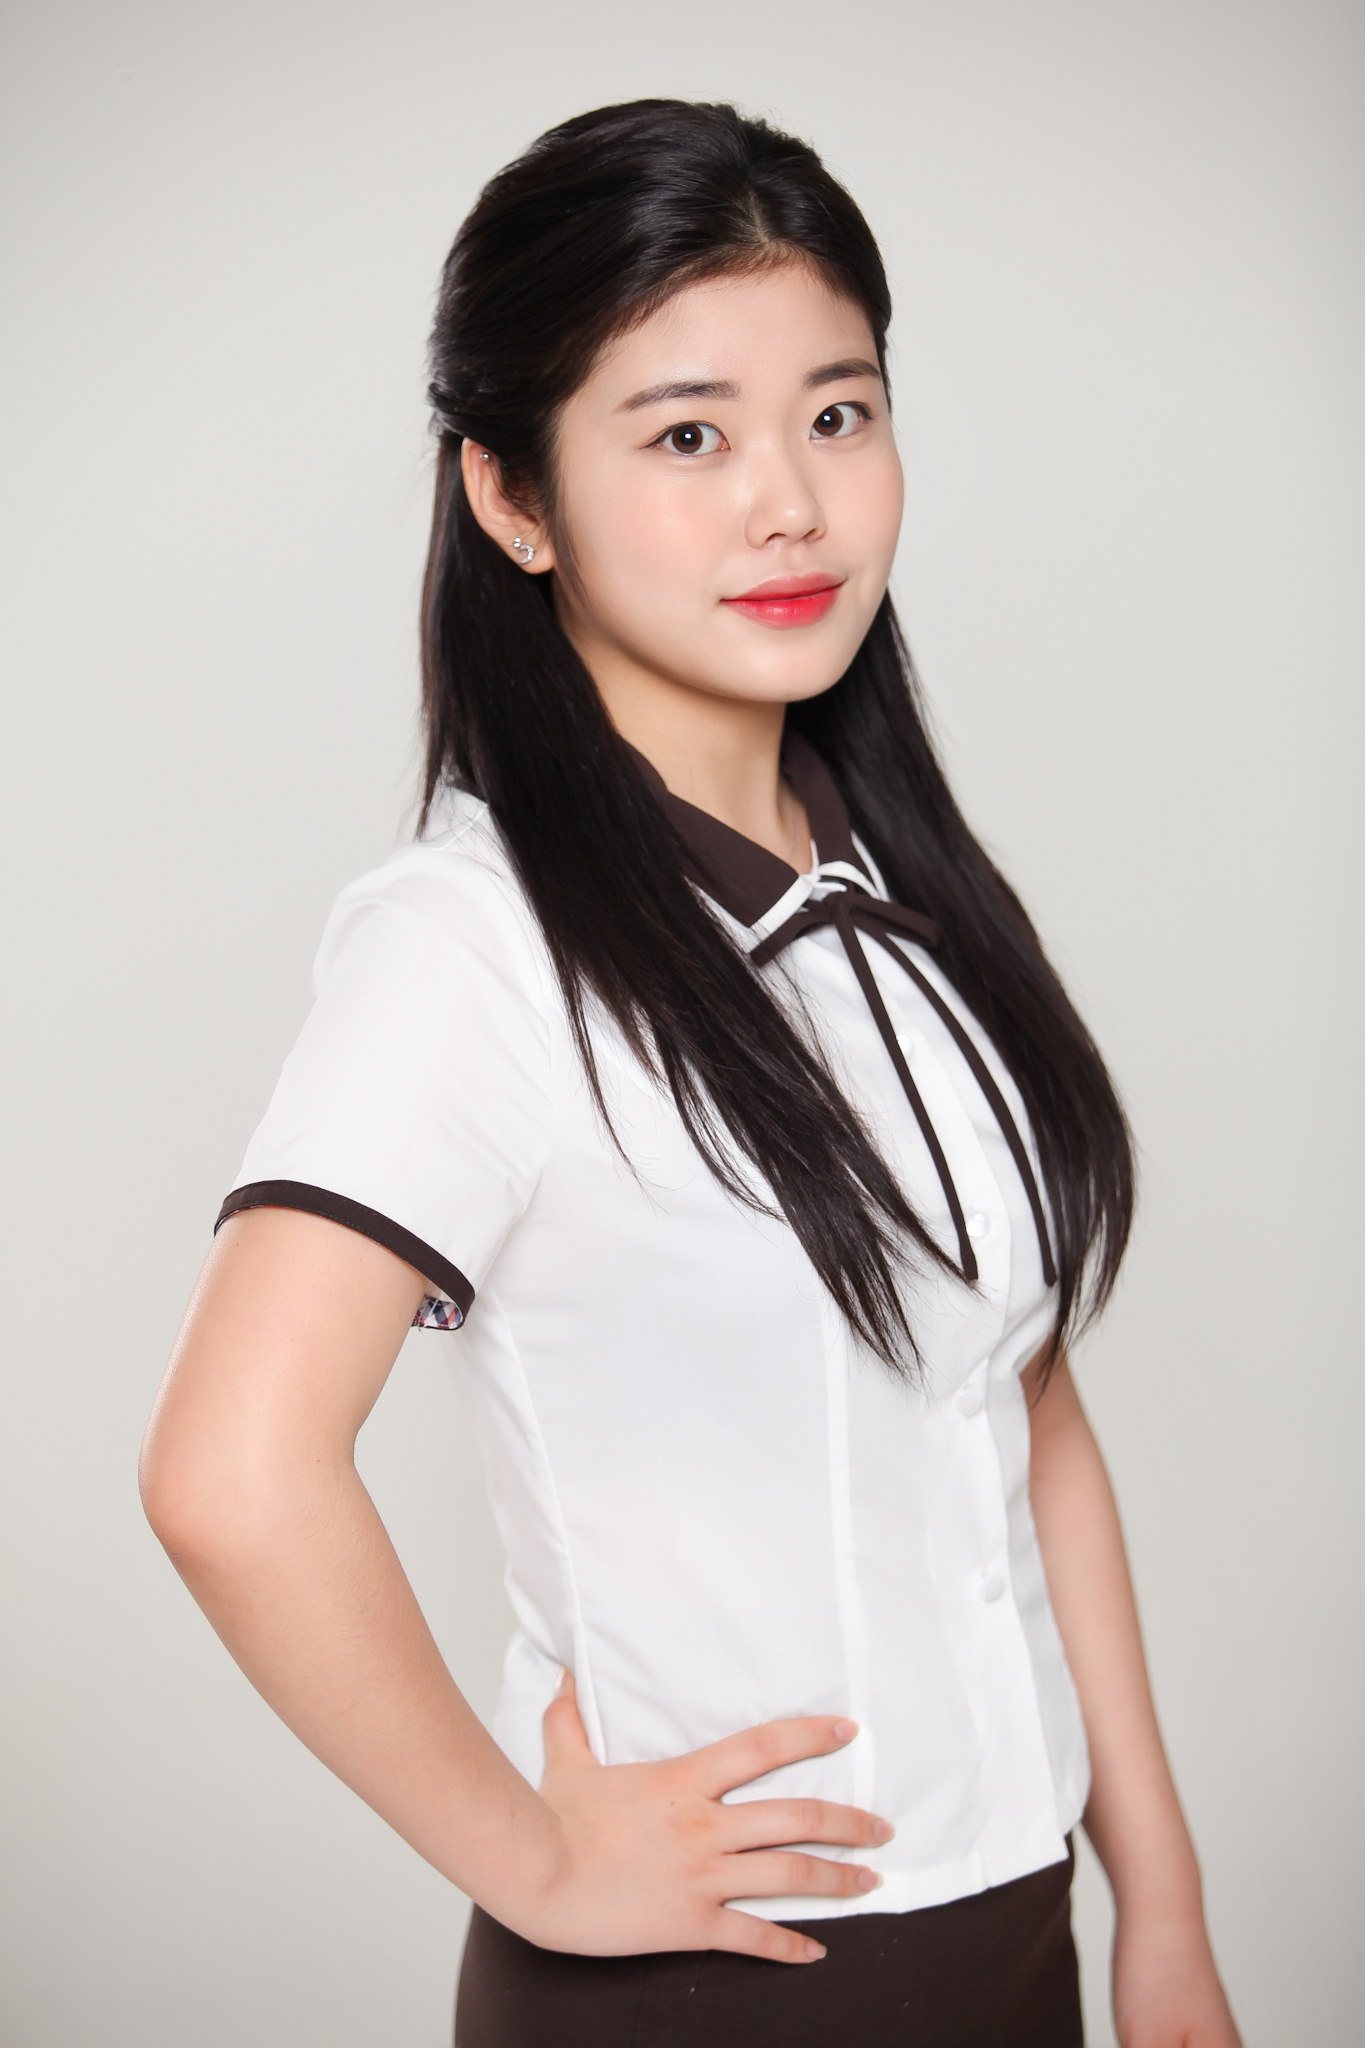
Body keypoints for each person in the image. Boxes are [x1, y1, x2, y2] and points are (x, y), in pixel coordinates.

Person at [140, 99, 1242, 2047]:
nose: (788, 504)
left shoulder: (908, 890)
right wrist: (538, 1860)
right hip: (715, 1986)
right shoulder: (470, 943)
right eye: (684, 436)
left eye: (837, 412)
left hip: (1021, 1941)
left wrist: (1155, 1897)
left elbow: (1017, 1401)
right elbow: (230, 1473)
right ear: (511, 497)